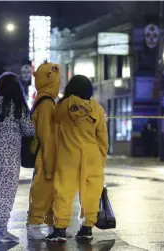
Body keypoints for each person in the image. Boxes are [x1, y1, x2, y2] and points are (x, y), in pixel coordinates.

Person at [46, 75, 108, 242]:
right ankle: (87, 227)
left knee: (63, 191)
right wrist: (101, 158)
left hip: (69, 155)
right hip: (92, 155)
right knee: (92, 193)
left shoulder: (64, 105)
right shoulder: (98, 109)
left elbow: (55, 118)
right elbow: (102, 138)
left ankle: (60, 229)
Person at [0, 72, 35, 243]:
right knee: (4, 192)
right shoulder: (17, 106)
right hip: (8, 158)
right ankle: (0, 230)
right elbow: (29, 130)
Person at [26, 61, 61, 239]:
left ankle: (49, 225)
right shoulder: (47, 103)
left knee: (50, 192)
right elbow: (47, 137)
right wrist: (48, 166)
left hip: (45, 154)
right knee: (43, 189)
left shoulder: (42, 99)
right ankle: (34, 225)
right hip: (46, 155)